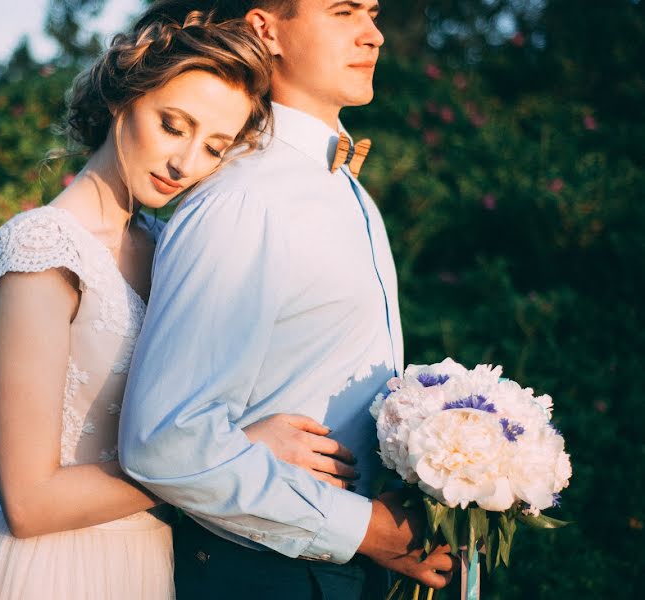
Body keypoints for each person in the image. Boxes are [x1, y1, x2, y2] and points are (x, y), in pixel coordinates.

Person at [0, 10, 361, 600]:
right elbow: (28, 503)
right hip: (54, 569)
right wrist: (225, 458)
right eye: (172, 125)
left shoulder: (167, 247)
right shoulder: (40, 249)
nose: (185, 162)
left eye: (214, 147)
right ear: (122, 101)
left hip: (156, 563)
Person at [119, 1, 460, 599]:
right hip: (265, 573)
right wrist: (366, 530)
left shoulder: (348, 191)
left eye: (373, 13)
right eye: (343, 11)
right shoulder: (244, 199)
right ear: (265, 29)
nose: (374, 34)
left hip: (343, 568)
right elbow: (166, 441)